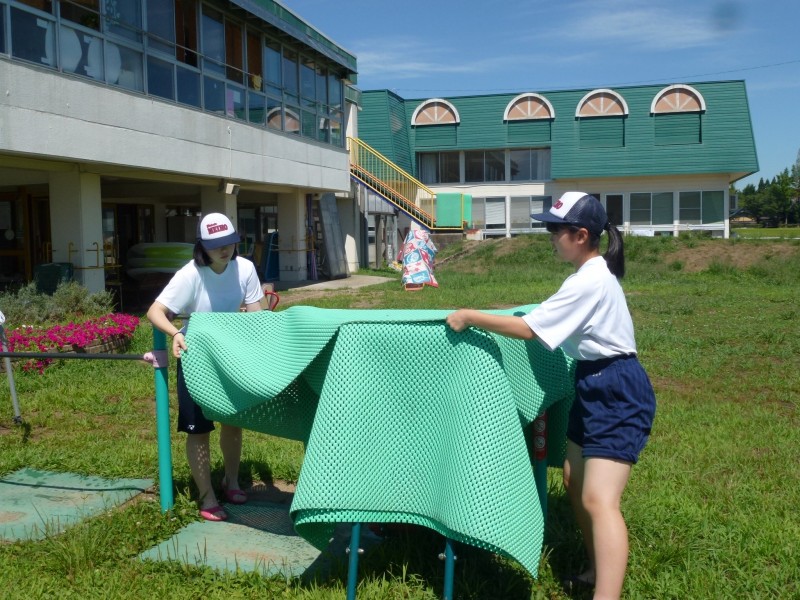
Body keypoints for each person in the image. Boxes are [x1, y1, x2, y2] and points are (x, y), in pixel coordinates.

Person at [446, 192, 656, 600]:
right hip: (593, 380)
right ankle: (598, 568)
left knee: (599, 499)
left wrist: (469, 315)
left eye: (554, 230)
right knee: (575, 481)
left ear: (580, 235)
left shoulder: (590, 281)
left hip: (616, 388)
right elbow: (539, 315)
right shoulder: (588, 275)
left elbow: (530, 329)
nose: (549, 237)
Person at [147, 213, 264, 522]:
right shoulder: (190, 275)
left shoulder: (245, 268)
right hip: (197, 354)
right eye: (216, 246)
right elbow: (156, 311)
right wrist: (174, 334)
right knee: (198, 428)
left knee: (233, 420)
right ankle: (206, 494)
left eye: (229, 244)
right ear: (202, 247)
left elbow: (257, 314)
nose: (224, 251)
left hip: (232, 353)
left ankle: (231, 480)